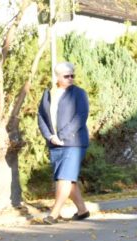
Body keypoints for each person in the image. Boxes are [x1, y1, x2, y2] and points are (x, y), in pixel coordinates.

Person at [36, 62, 90, 225]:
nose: (71, 78)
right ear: (57, 77)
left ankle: (54, 213)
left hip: (74, 142)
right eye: (67, 76)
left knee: (64, 178)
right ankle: (82, 210)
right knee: (67, 178)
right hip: (55, 143)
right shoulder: (48, 94)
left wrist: (63, 135)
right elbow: (41, 116)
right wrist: (50, 137)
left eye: (73, 75)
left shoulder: (79, 93)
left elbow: (81, 116)